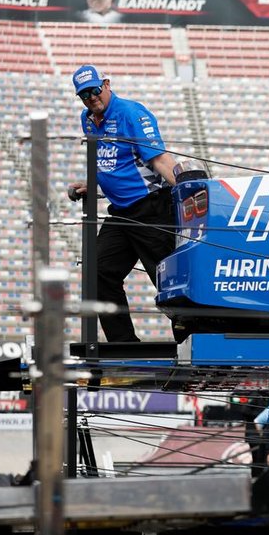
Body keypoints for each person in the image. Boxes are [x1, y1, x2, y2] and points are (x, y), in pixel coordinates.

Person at [66, 65, 178, 342]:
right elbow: (113, 164)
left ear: (106, 84)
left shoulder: (131, 112)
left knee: (170, 284)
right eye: (84, 95)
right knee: (97, 271)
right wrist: (94, 186)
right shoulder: (88, 119)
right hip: (121, 213)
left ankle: (192, 344)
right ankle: (124, 346)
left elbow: (160, 159)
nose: (91, 98)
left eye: (94, 90)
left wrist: (191, 188)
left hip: (152, 209)